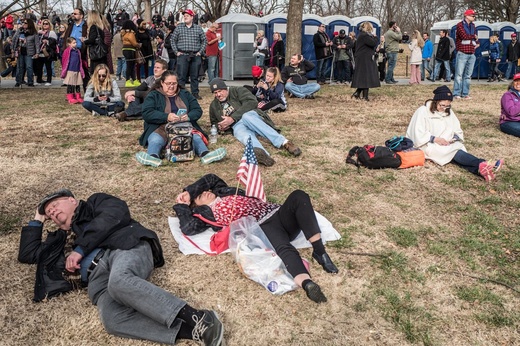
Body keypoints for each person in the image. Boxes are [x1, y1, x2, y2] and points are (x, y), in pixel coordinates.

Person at [19, 189, 225, 346]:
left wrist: (80, 249)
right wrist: (38, 217)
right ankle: (193, 331)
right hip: (97, 279)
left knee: (119, 281)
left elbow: (114, 216)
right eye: (49, 213)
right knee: (112, 320)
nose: (52, 211)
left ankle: (197, 316)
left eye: (55, 204)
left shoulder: (95, 203)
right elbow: (29, 254)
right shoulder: (59, 239)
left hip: (124, 248)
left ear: (72, 200)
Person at [173, 173, 339, 303]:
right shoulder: (204, 214)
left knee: (299, 195)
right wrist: (182, 205)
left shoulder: (224, 191)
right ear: (197, 206)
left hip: (277, 212)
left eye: (205, 191)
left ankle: (320, 252)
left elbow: (211, 178)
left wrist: (190, 192)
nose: (206, 192)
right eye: (201, 196)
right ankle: (307, 283)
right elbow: (188, 228)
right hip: (263, 226)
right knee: (284, 248)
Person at [406, 85, 504, 182]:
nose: (444, 108)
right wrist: (436, 139)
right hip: (427, 144)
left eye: (447, 106)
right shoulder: (422, 111)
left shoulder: (448, 111)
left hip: (446, 142)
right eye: (442, 105)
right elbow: (417, 133)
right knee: (453, 151)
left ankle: (480, 170)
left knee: (455, 149)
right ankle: (485, 163)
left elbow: (456, 128)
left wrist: (455, 138)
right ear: (435, 101)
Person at [136, 71, 226, 167]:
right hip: (161, 127)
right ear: (162, 83)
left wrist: (188, 116)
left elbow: (197, 110)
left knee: (195, 137)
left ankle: (205, 154)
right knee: (155, 139)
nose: (171, 86)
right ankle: (153, 157)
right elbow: (147, 113)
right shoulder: (154, 95)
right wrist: (166, 117)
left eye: (174, 83)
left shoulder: (185, 94)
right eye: (168, 83)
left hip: (184, 127)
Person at [209, 78, 301, 166]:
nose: (218, 95)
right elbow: (213, 123)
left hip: (251, 117)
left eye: (220, 91)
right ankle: (263, 155)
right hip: (237, 125)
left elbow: (252, 102)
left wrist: (233, 118)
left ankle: (284, 142)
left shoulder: (237, 90)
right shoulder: (213, 105)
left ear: (225, 88)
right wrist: (220, 127)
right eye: (215, 93)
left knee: (246, 117)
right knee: (240, 133)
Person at [171, 9, 206, 100]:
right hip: (182, 55)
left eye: (187, 15)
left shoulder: (198, 28)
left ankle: (195, 93)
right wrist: (176, 52)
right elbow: (172, 40)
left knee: (194, 76)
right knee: (181, 76)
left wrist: (200, 52)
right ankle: (181, 94)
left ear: (192, 17)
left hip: (195, 55)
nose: (185, 17)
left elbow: (204, 41)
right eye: (184, 16)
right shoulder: (179, 27)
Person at [453, 9, 479, 99]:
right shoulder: (460, 25)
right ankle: (456, 93)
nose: (474, 17)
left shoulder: (473, 26)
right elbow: (464, 36)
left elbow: (476, 38)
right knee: (459, 74)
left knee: (468, 75)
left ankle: (465, 93)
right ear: (466, 16)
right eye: (472, 15)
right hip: (462, 52)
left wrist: (476, 41)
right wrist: (474, 37)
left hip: (471, 52)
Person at [351, 21, 380, 101]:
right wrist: (376, 37)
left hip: (363, 58)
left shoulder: (362, 35)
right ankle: (365, 97)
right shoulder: (364, 36)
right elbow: (373, 43)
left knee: (364, 76)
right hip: (364, 58)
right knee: (366, 77)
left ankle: (357, 93)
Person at [12, 18, 39, 87]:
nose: (23, 24)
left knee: (29, 67)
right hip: (20, 50)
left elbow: (37, 43)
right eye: (23, 22)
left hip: (29, 52)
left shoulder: (34, 32)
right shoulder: (19, 31)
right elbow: (14, 39)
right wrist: (13, 49)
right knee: (20, 67)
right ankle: (18, 81)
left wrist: (37, 52)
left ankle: (30, 82)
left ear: (29, 24)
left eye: (25, 23)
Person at [34, 18, 58, 86]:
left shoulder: (51, 32)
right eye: (43, 24)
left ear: (49, 25)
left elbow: (54, 42)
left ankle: (49, 80)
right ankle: (39, 80)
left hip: (47, 52)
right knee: (39, 67)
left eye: (46, 24)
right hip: (39, 51)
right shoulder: (39, 32)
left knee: (48, 66)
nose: (45, 25)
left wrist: (47, 41)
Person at [61, 37, 85, 104]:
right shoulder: (67, 51)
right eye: (74, 43)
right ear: (69, 44)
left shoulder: (77, 51)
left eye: (76, 42)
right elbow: (64, 60)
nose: (76, 44)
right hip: (70, 70)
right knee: (70, 84)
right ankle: (70, 96)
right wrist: (65, 69)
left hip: (77, 69)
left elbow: (80, 60)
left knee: (77, 84)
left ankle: (78, 96)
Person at [82, 10, 106, 75]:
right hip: (101, 53)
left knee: (95, 72)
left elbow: (92, 40)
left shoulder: (93, 27)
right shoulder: (100, 28)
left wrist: (84, 41)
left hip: (96, 53)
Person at [499, 73, 520, 137]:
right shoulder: (507, 95)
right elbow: (512, 112)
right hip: (509, 122)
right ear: (513, 83)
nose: (518, 83)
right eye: (516, 81)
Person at [121, 20, 141, 87]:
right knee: (130, 66)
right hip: (130, 50)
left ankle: (134, 80)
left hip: (125, 49)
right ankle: (128, 80)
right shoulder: (131, 34)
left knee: (131, 65)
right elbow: (134, 43)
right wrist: (138, 45)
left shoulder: (123, 33)